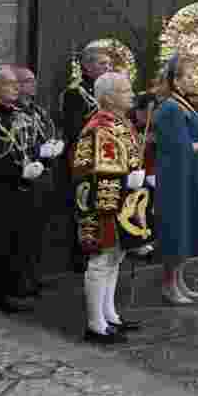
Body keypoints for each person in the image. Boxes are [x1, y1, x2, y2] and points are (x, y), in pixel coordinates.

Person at [0, 66, 52, 312]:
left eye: (17, 84)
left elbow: (27, 146)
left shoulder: (20, 114)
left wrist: (43, 157)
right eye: (10, 84)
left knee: (20, 241)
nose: (16, 88)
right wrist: (17, 171)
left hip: (22, 188)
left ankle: (17, 286)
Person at [71, 72, 146, 343]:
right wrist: (127, 178)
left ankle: (109, 315)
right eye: (125, 91)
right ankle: (95, 324)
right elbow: (93, 169)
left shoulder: (119, 122)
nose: (131, 94)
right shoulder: (99, 126)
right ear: (109, 97)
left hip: (120, 200)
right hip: (102, 202)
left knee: (115, 258)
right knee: (101, 260)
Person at [154, 54, 198, 303]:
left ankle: (179, 280)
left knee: (187, 227)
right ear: (176, 81)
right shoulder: (170, 107)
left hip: (190, 173)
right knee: (176, 229)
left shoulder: (185, 105)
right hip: (176, 176)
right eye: (189, 76)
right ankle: (169, 284)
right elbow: (180, 146)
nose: (194, 80)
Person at [13, 65, 63, 294]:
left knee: (39, 230)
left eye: (33, 80)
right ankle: (19, 280)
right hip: (22, 178)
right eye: (26, 81)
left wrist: (53, 145)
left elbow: (49, 131)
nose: (32, 85)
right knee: (21, 233)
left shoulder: (38, 111)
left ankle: (34, 274)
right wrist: (36, 152)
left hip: (44, 175)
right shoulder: (10, 112)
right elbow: (14, 145)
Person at [61, 41, 110, 271]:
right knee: (83, 204)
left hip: (106, 155)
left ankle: (102, 245)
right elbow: (73, 128)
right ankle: (80, 253)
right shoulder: (75, 93)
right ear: (87, 67)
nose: (107, 68)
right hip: (83, 155)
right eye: (102, 64)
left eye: (109, 63)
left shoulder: (108, 93)